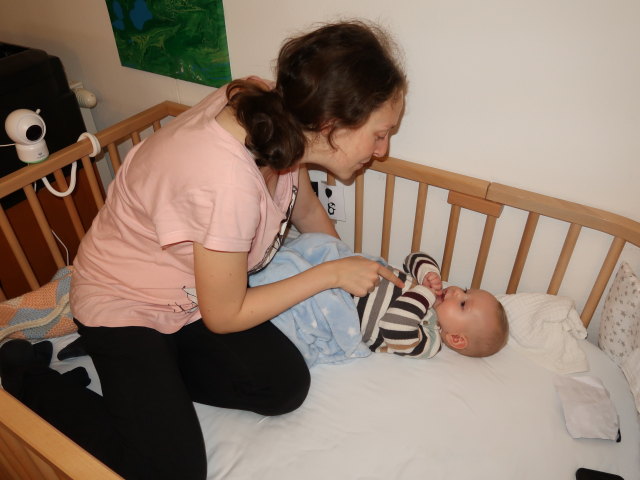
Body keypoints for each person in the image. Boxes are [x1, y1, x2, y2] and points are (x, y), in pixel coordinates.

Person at [0, 20, 407, 480]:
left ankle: (155, 378)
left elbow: (305, 208)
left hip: (191, 297)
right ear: (332, 126)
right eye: (379, 133)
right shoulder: (225, 182)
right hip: (125, 302)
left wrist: (353, 272)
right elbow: (226, 315)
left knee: (283, 387)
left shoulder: (274, 112)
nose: (382, 150)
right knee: (171, 470)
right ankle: (25, 375)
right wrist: (330, 276)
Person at [357, 251, 509, 359]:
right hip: (355, 271)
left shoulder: (428, 341)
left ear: (456, 338)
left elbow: (392, 326)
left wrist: (425, 293)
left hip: (343, 309)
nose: (457, 291)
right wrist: (428, 273)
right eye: (465, 290)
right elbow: (412, 258)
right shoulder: (428, 289)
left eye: (463, 304)